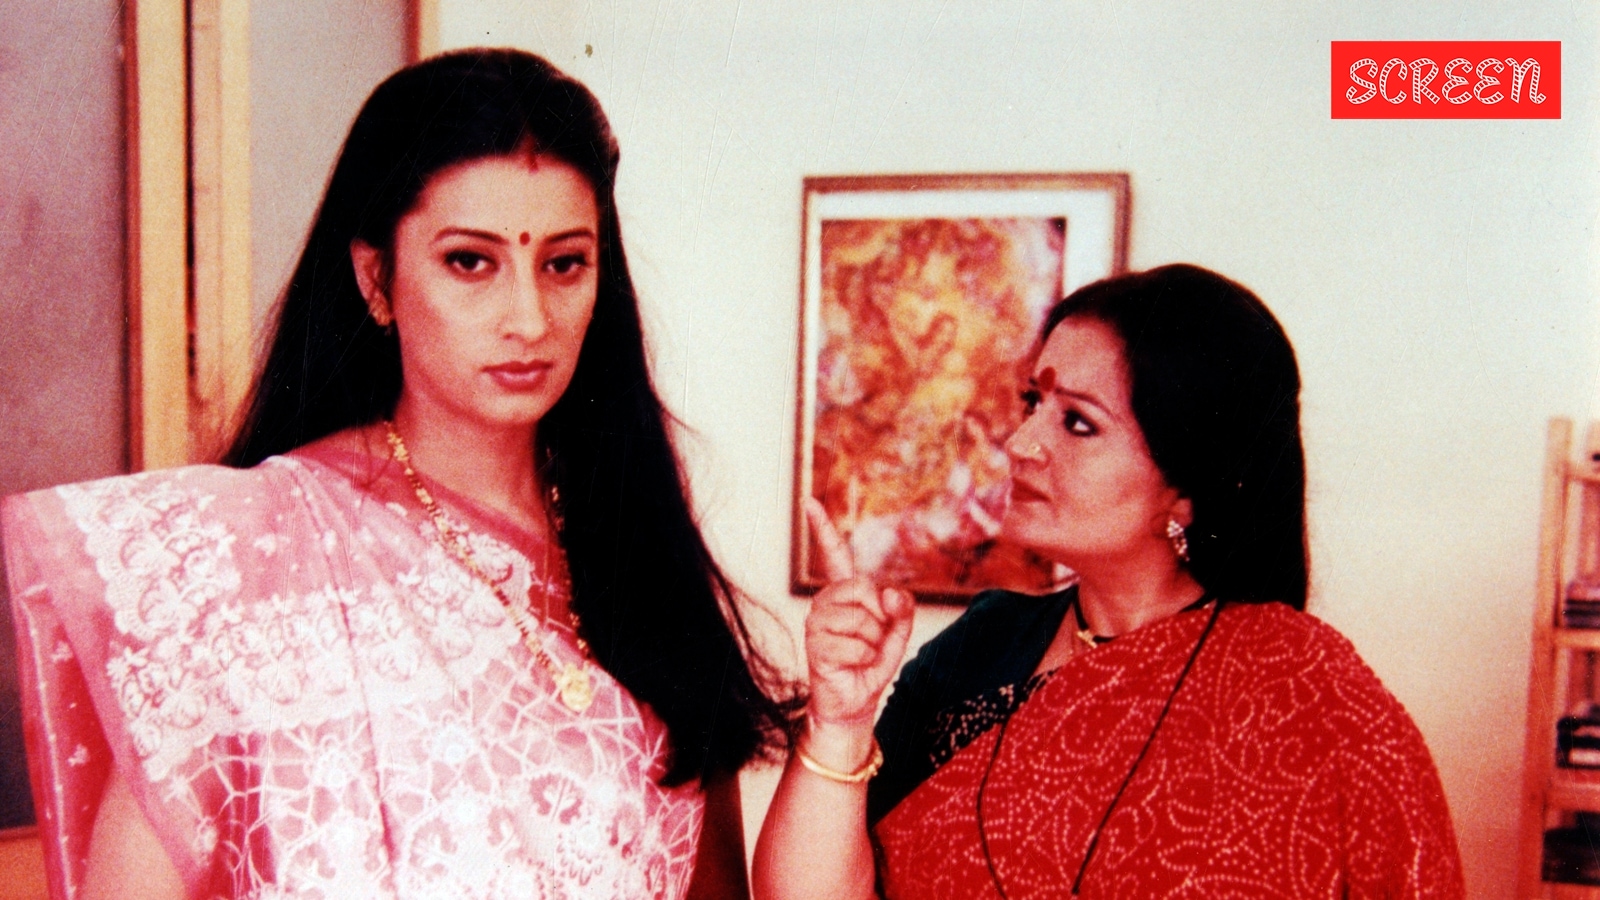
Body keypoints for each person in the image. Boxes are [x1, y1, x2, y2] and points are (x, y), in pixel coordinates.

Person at [2, 48, 794, 900]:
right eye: (470, 262)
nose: (529, 318)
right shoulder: (250, 555)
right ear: (376, 278)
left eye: (563, 263)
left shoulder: (635, 536)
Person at [752, 264, 1465, 899]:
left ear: (1187, 488)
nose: (1022, 444)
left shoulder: (1308, 702)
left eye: (1077, 423)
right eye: (1032, 402)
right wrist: (841, 722)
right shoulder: (983, 647)